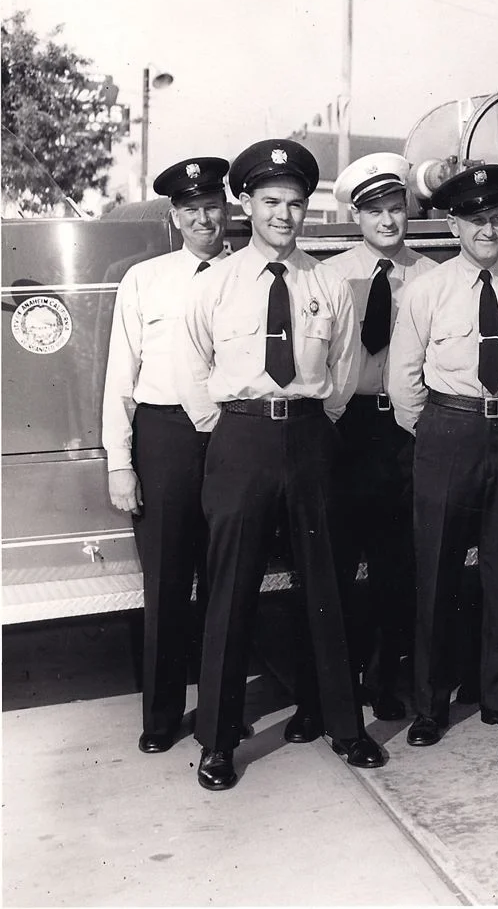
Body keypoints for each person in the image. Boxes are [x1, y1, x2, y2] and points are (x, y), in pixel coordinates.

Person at [177, 138, 383, 790]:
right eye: (270, 202)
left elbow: (343, 373)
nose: (284, 216)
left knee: (325, 583)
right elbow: (193, 373)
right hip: (239, 440)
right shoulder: (214, 285)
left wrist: (305, 423)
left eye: (295, 204)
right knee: (230, 592)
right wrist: (235, 431)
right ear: (245, 203)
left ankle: (342, 725)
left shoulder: (327, 284)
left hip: (309, 436)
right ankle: (216, 741)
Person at [386, 164, 498, 746]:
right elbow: (403, 379)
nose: (489, 228)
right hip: (447, 431)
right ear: (454, 223)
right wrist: (436, 432)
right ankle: (430, 706)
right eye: (477, 219)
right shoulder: (425, 289)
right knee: (436, 570)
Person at [103, 156, 229, 754]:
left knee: (226, 583)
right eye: (191, 210)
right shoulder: (145, 280)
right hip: (166, 437)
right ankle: (160, 718)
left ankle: (219, 713)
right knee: (168, 583)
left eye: (212, 207)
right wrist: (120, 462)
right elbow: (119, 378)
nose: (204, 219)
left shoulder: (249, 275)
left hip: (233, 436)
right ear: (175, 217)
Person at [307, 152, 438, 724]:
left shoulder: (434, 275)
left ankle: (387, 681)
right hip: (348, 427)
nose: (387, 222)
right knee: (334, 565)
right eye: (374, 212)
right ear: (356, 217)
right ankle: (327, 693)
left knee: (396, 564)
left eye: (395, 209)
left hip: (406, 428)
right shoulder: (330, 275)